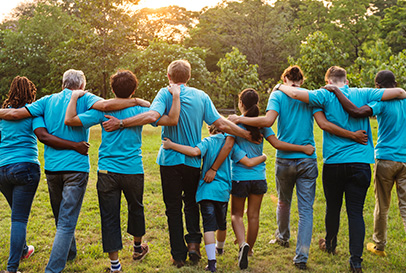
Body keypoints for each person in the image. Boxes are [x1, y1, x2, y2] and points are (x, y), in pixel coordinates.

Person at [102, 60, 252, 268]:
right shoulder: (201, 96)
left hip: (170, 160)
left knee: (173, 208)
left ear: (169, 76)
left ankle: (178, 255)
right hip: (192, 159)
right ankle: (193, 244)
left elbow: (152, 116)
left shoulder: (165, 93)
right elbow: (220, 123)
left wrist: (121, 123)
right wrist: (246, 134)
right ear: (188, 77)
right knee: (191, 203)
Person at [0, 69, 149, 273]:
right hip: (76, 167)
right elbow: (106, 105)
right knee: (66, 222)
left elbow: (17, 114)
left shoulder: (46, 101)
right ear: (81, 86)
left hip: (52, 168)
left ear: (63, 84)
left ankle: (70, 253)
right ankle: (53, 269)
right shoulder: (86, 97)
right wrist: (137, 102)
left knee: (60, 216)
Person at [227, 66, 367, 270]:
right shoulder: (309, 97)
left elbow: (268, 121)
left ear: (284, 78)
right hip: (307, 159)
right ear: (302, 81)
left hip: (284, 159)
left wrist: (239, 119)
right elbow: (322, 123)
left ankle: (283, 237)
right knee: (306, 210)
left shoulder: (277, 95)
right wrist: (352, 134)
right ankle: (301, 256)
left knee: (283, 202)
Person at [275, 66, 406, 272]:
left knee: (333, 207)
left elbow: (294, 93)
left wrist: (279, 86)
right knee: (355, 212)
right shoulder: (363, 93)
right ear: (346, 81)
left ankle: (331, 244)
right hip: (361, 163)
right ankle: (355, 261)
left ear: (328, 81)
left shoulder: (323, 95)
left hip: (334, 163)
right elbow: (398, 92)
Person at [64, 70, 181, 272]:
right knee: (136, 208)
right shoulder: (140, 110)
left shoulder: (103, 110)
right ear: (134, 89)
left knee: (109, 215)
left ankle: (115, 265)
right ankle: (137, 248)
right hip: (133, 169)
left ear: (112, 89)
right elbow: (168, 119)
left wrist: (74, 99)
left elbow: (72, 120)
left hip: (107, 171)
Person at [214, 88, 315, 270]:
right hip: (258, 178)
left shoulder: (236, 124)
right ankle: (250, 249)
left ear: (241, 104)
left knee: (236, 214)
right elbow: (277, 144)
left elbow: (229, 145)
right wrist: (303, 148)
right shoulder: (262, 125)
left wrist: (213, 167)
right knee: (254, 216)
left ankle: (242, 244)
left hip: (239, 178)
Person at [0, 76, 90, 273]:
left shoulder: (3, 114)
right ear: (30, 93)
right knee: (18, 218)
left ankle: (24, 249)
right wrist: (75, 145)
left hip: (2, 169)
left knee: (17, 214)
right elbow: (42, 136)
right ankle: (11, 268)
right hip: (25, 167)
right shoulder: (33, 112)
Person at [322, 70, 406, 258]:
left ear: (378, 85)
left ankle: (379, 245)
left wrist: (336, 91)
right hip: (405, 160)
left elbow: (356, 112)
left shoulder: (380, 103)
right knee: (405, 208)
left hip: (385, 158)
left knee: (382, 206)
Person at [162, 123, 267, 272]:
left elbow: (193, 152)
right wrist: (263, 156)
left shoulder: (207, 142)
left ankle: (212, 262)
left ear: (210, 129)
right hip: (223, 192)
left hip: (206, 191)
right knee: (221, 224)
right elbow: (248, 162)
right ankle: (220, 248)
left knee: (209, 227)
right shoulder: (231, 144)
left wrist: (171, 144)